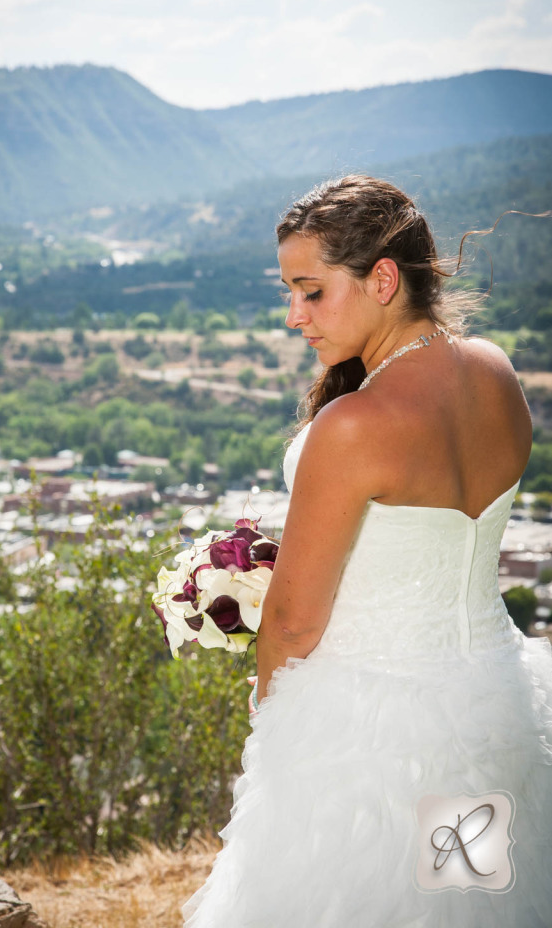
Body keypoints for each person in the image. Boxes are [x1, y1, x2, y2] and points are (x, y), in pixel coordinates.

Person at [182, 174, 552, 927]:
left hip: (369, 743)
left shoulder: (354, 424)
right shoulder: (494, 371)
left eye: (311, 291)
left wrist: (275, 725)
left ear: (382, 279)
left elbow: (290, 624)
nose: (294, 316)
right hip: (492, 711)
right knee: (467, 907)